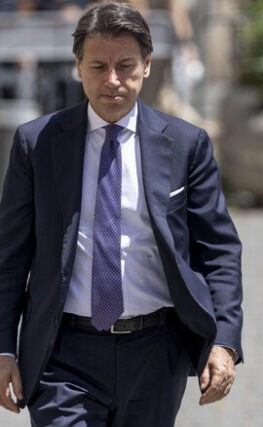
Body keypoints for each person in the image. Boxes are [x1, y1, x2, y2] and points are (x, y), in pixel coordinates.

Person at [0, 2, 243, 426]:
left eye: (125, 66)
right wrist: (3, 347)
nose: (112, 80)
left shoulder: (186, 145)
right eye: (98, 66)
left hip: (156, 352)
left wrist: (224, 341)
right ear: (78, 67)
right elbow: (9, 257)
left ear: (147, 66)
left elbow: (219, 251)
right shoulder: (37, 144)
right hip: (63, 354)